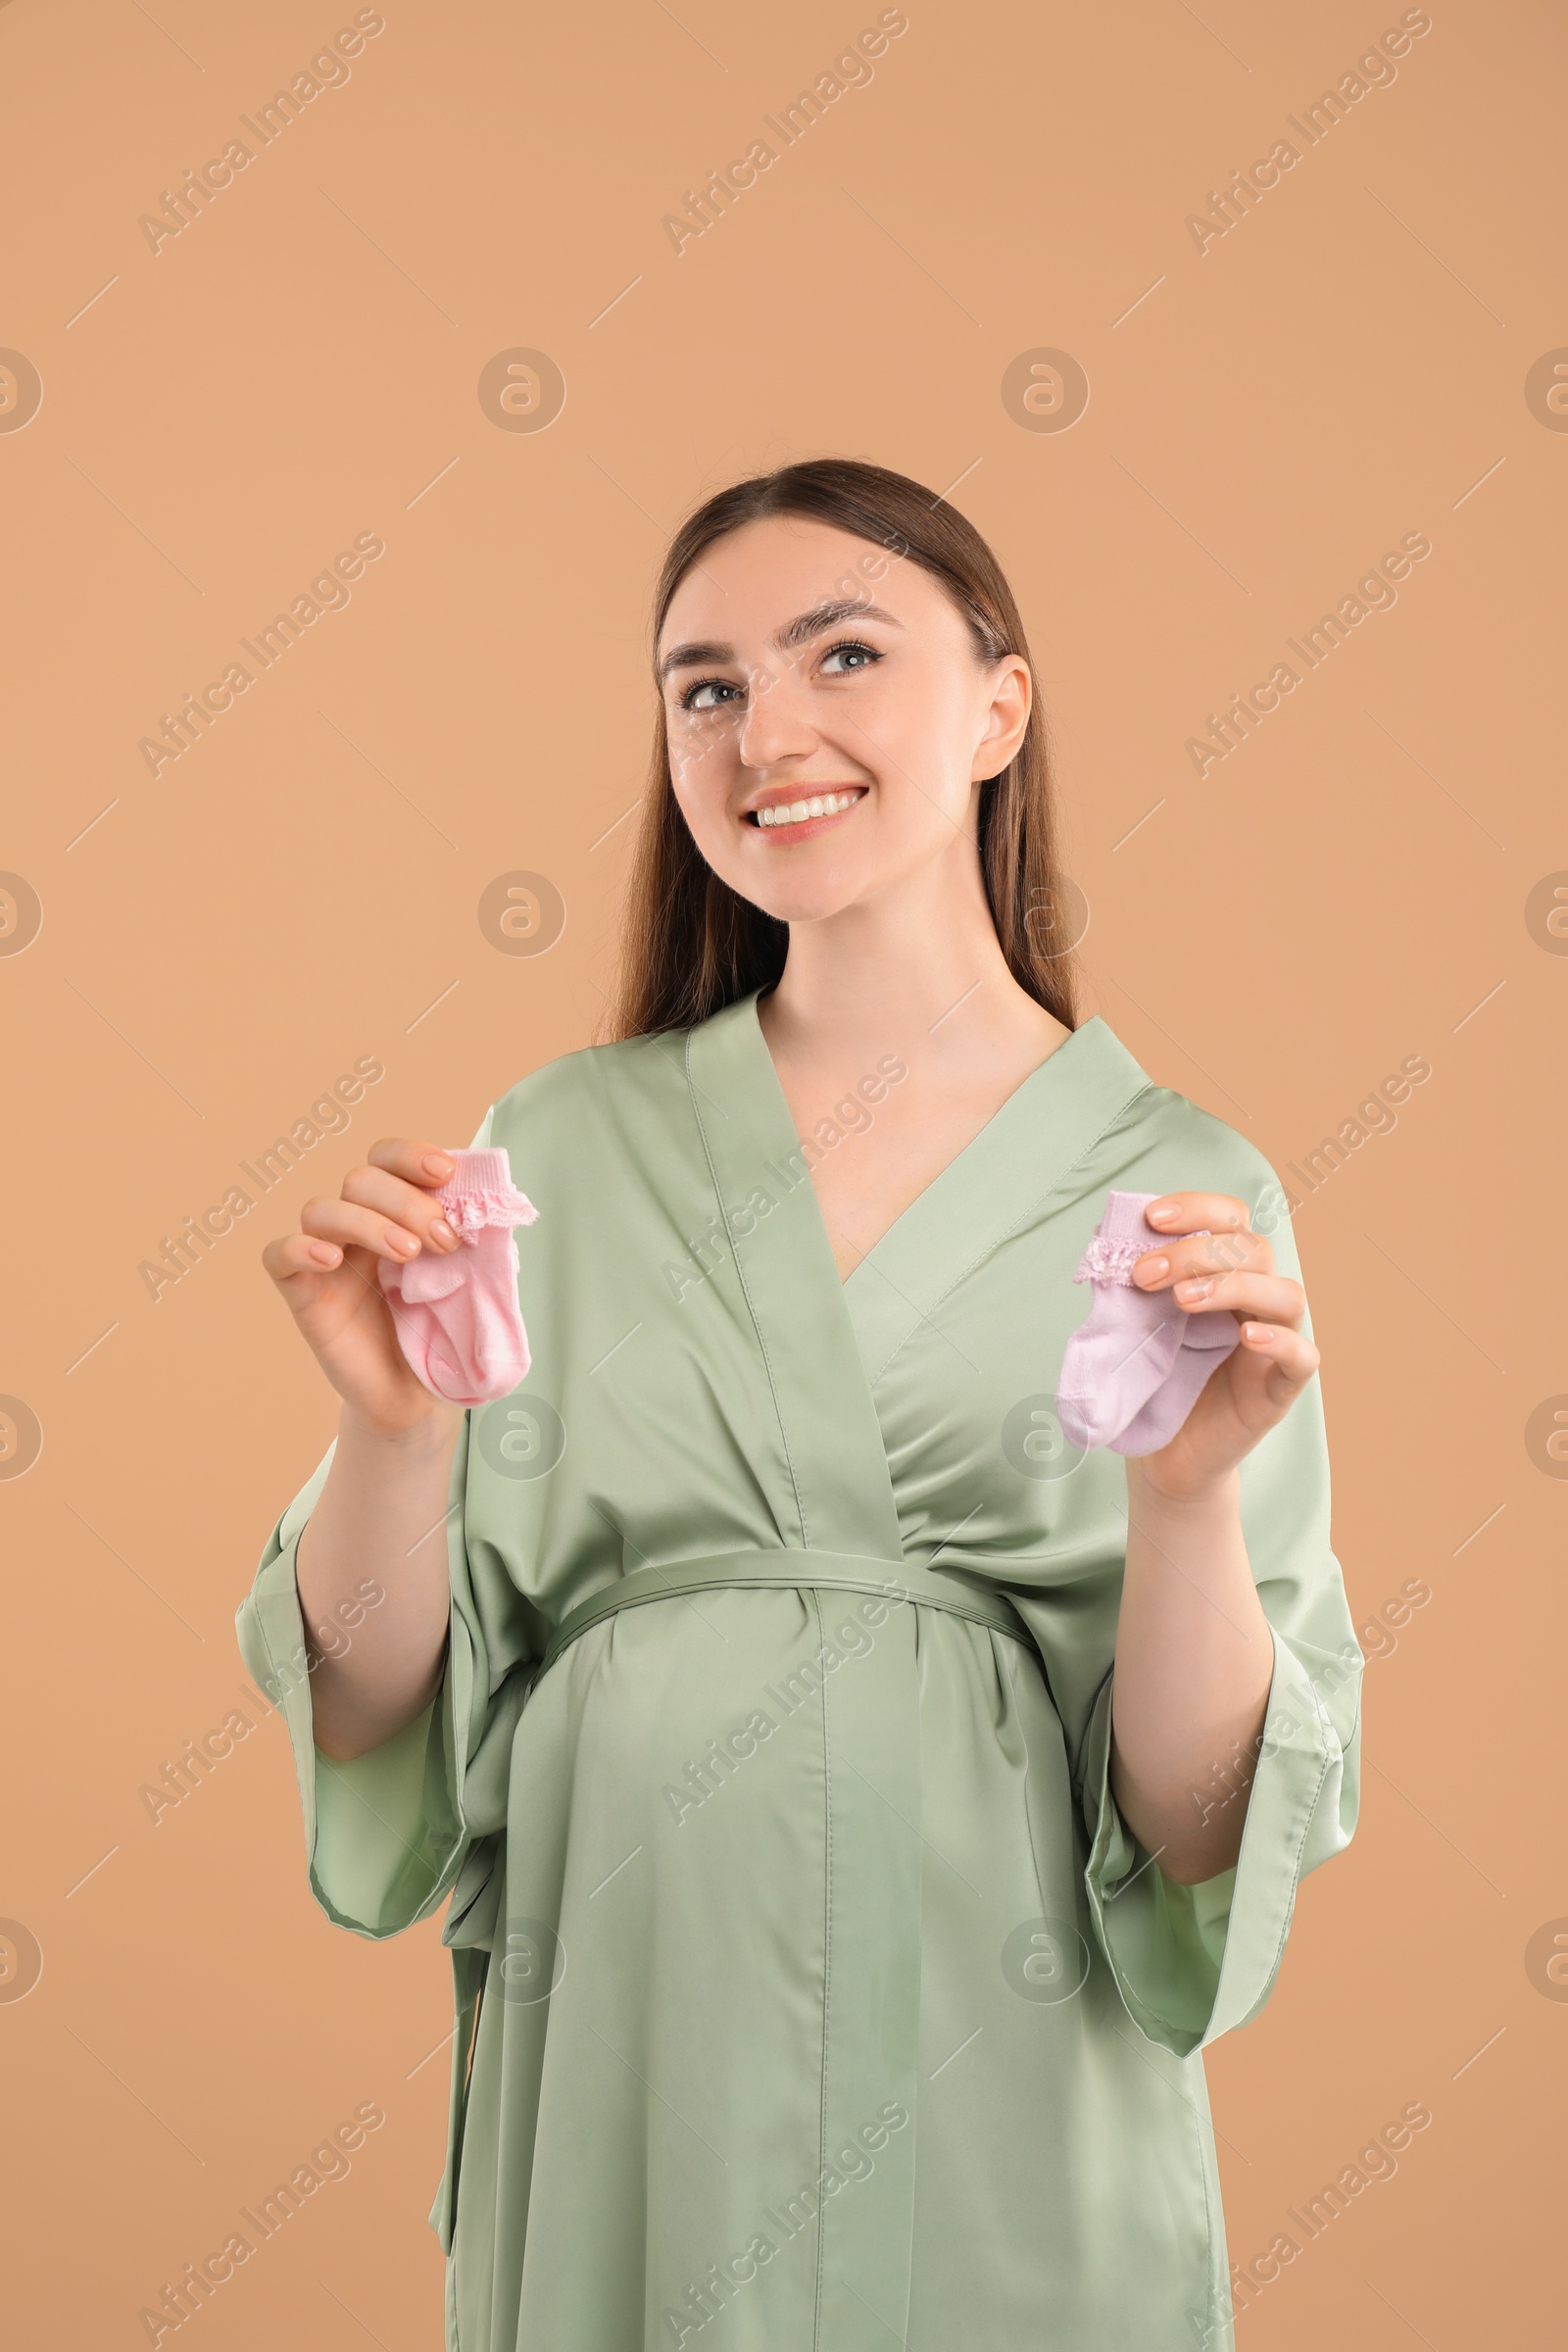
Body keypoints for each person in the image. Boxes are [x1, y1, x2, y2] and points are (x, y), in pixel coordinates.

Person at [239, 459, 1361, 2351]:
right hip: (631, 2067)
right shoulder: (564, 1153)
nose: (769, 732)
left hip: (1002, 2077)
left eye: (844, 652)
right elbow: (376, 1714)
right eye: (706, 688)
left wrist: (1181, 1508)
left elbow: (1191, 1837)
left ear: (1000, 705)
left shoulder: (1180, 1190)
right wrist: (394, 1433)